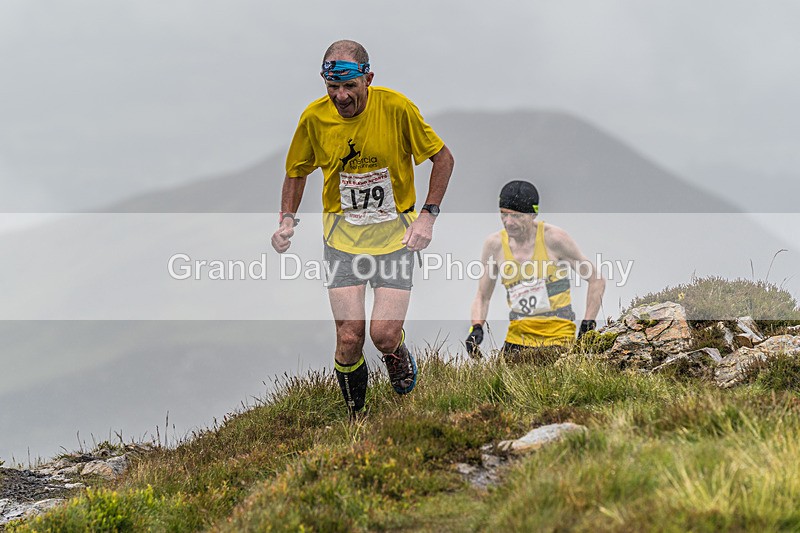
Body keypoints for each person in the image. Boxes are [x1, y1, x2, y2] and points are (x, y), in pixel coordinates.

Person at [271, 40, 454, 416]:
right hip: (342, 243)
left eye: (349, 86)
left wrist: (427, 216)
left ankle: (395, 351)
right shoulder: (314, 118)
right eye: (332, 87)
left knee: (382, 334)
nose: (340, 96)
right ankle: (357, 417)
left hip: (395, 241)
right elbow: (296, 171)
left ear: (368, 79)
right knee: (349, 336)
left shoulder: (396, 108)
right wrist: (287, 219)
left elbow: (443, 159)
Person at [465, 180, 605, 360]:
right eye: (503, 214)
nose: (508, 222)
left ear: (533, 214)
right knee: (496, 378)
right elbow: (482, 296)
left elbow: (596, 280)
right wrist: (476, 328)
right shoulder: (494, 245)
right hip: (517, 337)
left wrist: (587, 326)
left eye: (516, 216)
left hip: (558, 337)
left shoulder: (554, 239)